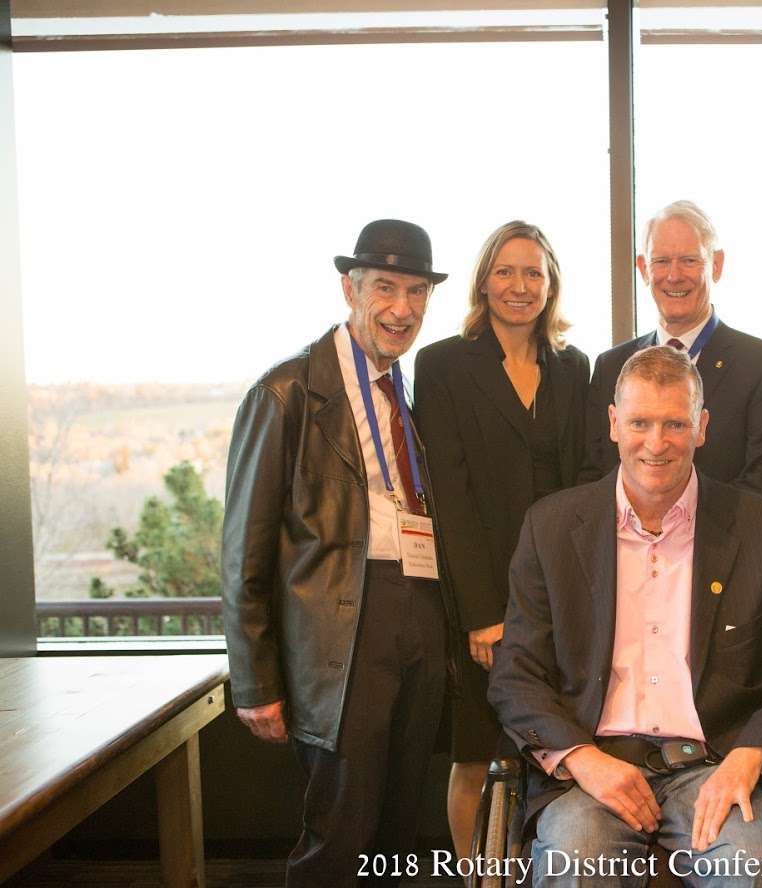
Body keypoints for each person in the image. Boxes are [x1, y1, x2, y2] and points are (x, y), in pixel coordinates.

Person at [490, 346, 762, 888]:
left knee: (752, 867)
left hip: (717, 766)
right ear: (613, 423)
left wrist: (751, 754)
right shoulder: (551, 527)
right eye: (640, 423)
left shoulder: (761, 529)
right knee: (577, 861)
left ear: (702, 427)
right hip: (594, 773)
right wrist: (582, 759)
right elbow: (515, 673)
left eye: (675, 424)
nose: (656, 444)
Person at [222, 219, 456, 887]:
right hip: (343, 628)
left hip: (418, 612)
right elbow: (244, 549)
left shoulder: (402, 391)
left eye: (417, 292)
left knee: (398, 825)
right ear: (349, 290)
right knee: (341, 830)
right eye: (385, 287)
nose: (402, 309)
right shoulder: (286, 391)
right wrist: (255, 681)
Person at [413, 220, 589, 860]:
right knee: (475, 755)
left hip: (559, 592)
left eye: (533, 272)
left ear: (551, 284)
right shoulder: (442, 365)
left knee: (556, 750)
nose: (520, 285)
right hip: (482, 594)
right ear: (483, 282)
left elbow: (586, 483)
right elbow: (449, 500)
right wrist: (483, 614)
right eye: (505, 271)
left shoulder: (574, 367)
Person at [579, 200, 762, 504]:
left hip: (726, 534)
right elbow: (595, 478)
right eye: (661, 261)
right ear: (643, 268)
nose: (674, 275)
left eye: (689, 260)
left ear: (716, 265)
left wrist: (677, 524)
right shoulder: (611, 366)